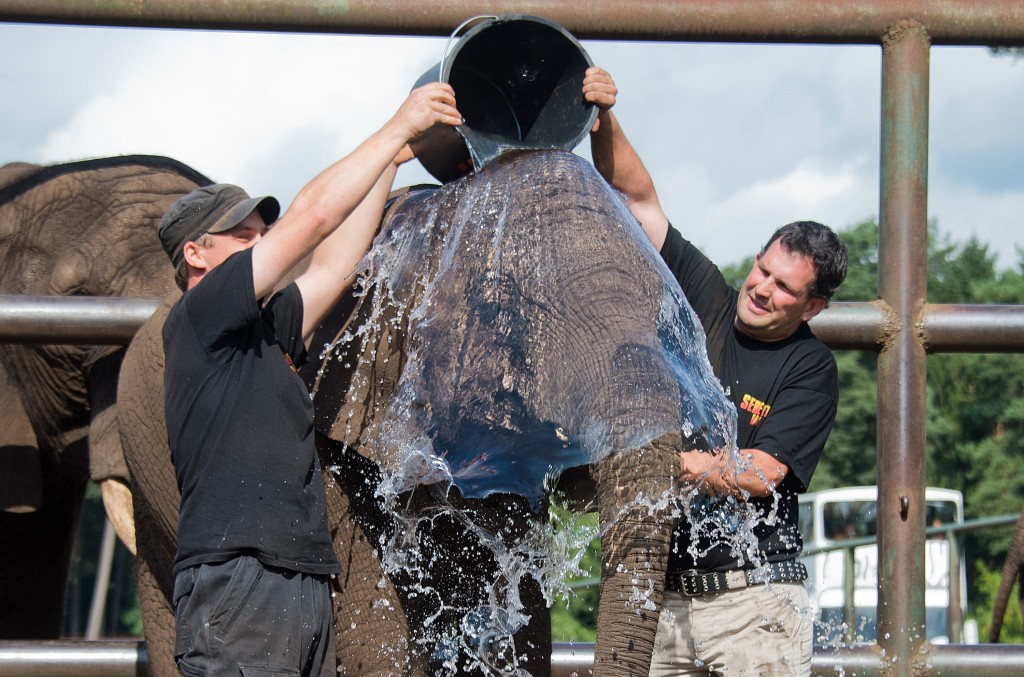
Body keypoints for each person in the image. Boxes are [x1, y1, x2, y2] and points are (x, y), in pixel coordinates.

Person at [158, 82, 461, 676]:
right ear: (196, 254)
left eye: (260, 234)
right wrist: (396, 126)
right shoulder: (201, 316)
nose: (262, 244)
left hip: (301, 578)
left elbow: (334, 264)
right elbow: (313, 218)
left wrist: (388, 164)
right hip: (237, 577)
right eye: (243, 237)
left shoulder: (269, 330)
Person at [584, 67, 848, 676]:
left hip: (754, 602)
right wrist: (601, 117)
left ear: (814, 307)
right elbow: (635, 201)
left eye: (784, 288)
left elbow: (760, 474)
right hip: (666, 599)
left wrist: (661, 466)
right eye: (761, 270)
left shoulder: (810, 368)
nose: (760, 290)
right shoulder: (705, 295)